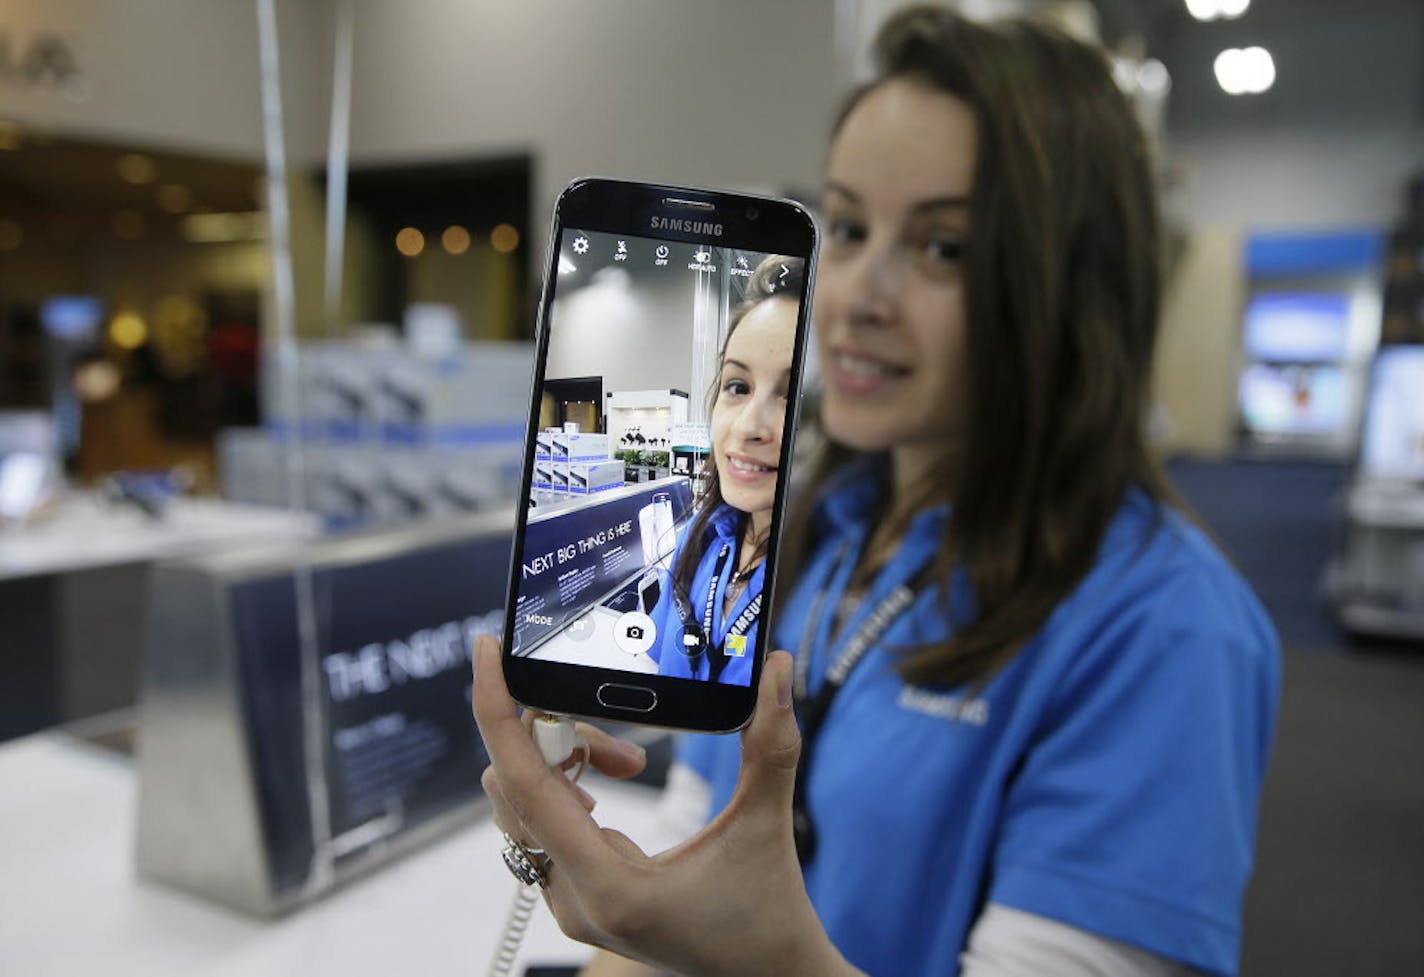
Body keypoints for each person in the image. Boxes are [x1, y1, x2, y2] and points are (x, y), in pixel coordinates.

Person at [472, 7, 1280, 977]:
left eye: (944, 248)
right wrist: (614, 904)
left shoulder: (1165, 628)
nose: (854, 295)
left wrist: (768, 956)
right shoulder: (810, 527)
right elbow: (693, 840)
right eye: (848, 225)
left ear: (1071, 284)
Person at [644, 256, 803, 685]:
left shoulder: (829, 586)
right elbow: (657, 667)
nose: (749, 426)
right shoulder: (699, 536)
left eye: (792, 396)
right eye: (738, 386)